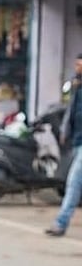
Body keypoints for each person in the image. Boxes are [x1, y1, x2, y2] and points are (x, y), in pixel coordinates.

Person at [46, 54, 82, 237]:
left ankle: (60, 223)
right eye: (76, 64)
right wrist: (64, 131)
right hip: (77, 140)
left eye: (80, 64)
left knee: (74, 183)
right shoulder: (76, 85)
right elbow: (71, 110)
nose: (77, 67)